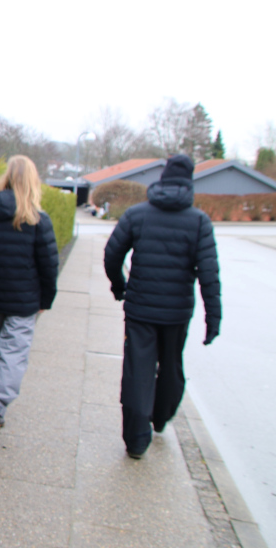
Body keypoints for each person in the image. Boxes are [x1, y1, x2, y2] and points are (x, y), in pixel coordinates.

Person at [103, 154, 221, 459]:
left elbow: (112, 255)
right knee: (171, 365)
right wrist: (213, 319)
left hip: (141, 308)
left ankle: (136, 440)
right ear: (189, 183)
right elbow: (209, 275)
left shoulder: (137, 214)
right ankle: (161, 416)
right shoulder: (199, 222)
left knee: (137, 370)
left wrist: (120, 286)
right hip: (177, 313)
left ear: (162, 179)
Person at [0, 155, 59, 431]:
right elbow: (49, 264)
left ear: (7, 177)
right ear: (33, 181)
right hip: (24, 299)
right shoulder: (37, 219)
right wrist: (46, 299)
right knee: (13, 352)